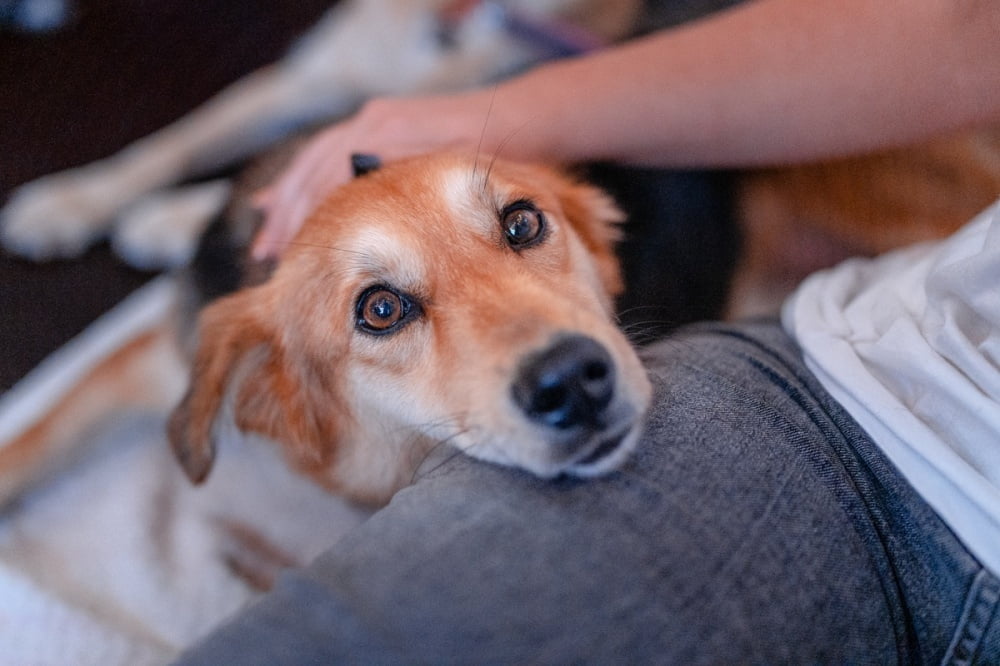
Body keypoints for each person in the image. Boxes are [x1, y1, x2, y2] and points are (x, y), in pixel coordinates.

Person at [179, 0, 1000, 662]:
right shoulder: (276, 363)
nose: (552, 354)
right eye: (384, 309)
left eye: (520, 228)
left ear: (600, 248)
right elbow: (963, 30)